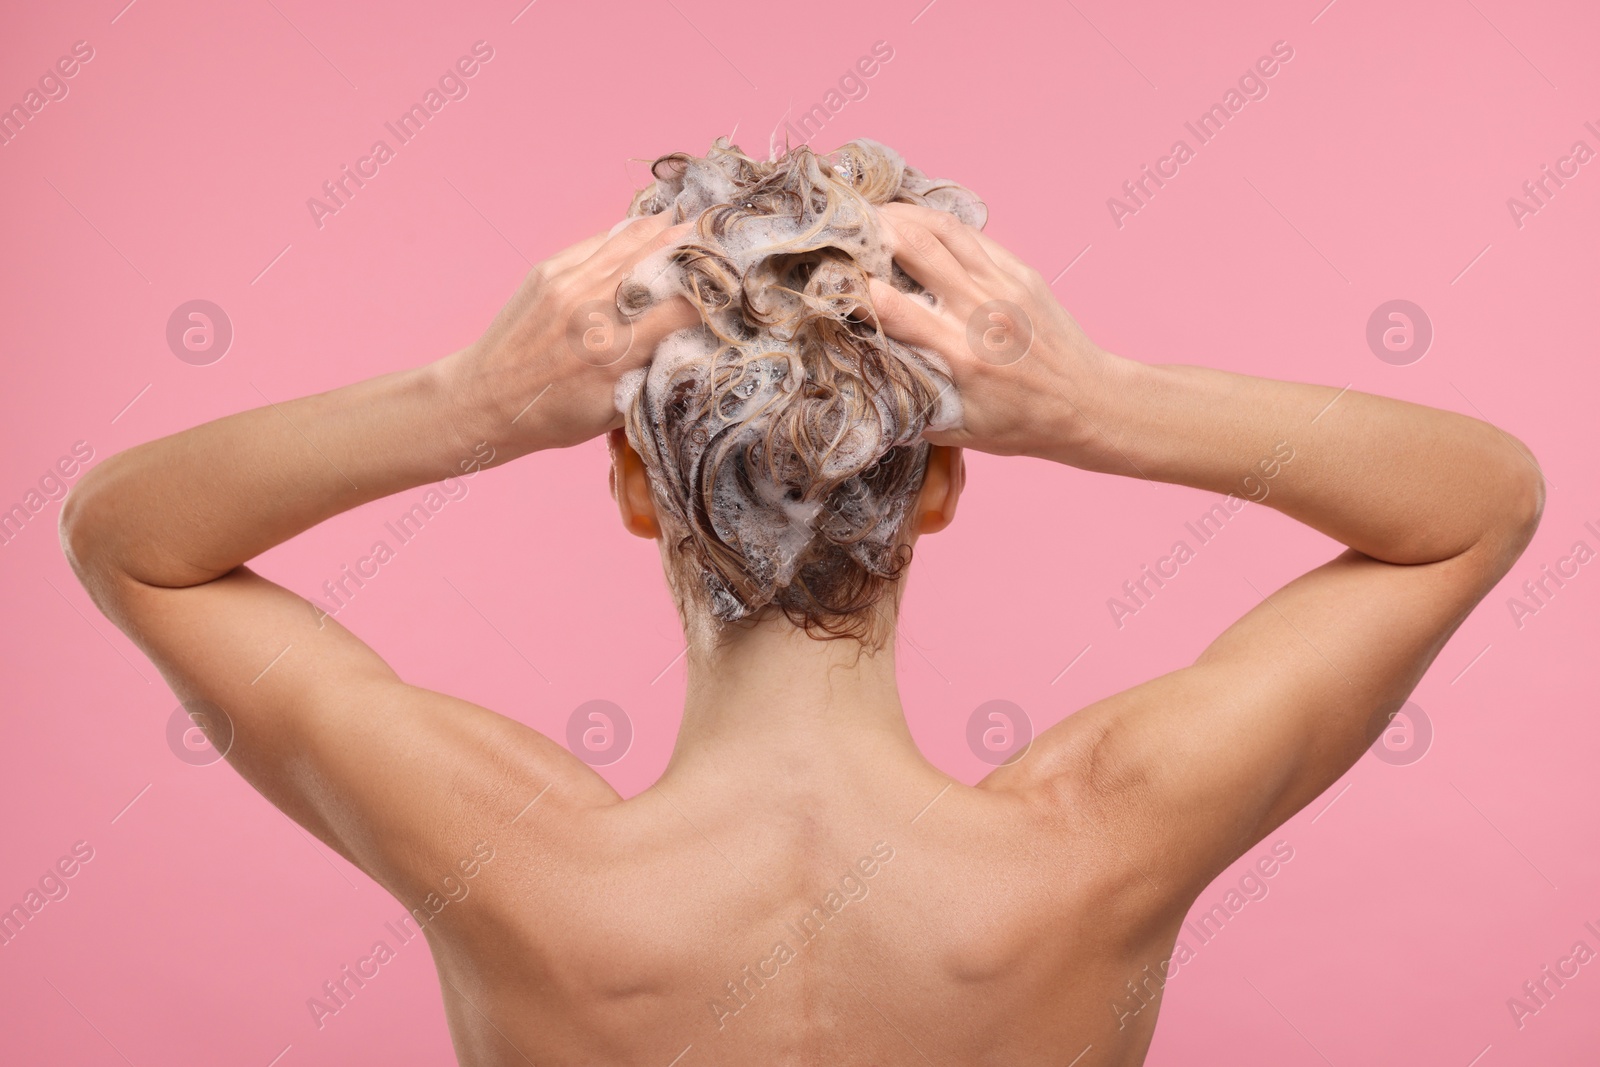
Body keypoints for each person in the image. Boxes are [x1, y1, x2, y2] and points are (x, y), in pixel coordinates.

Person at [60, 140, 1543, 1066]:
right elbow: (1475, 505)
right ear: (945, 488)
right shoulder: (1104, 837)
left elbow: (127, 537)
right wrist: (1102, 405)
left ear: (638, 492)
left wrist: (470, 404)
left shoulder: (510, 860)